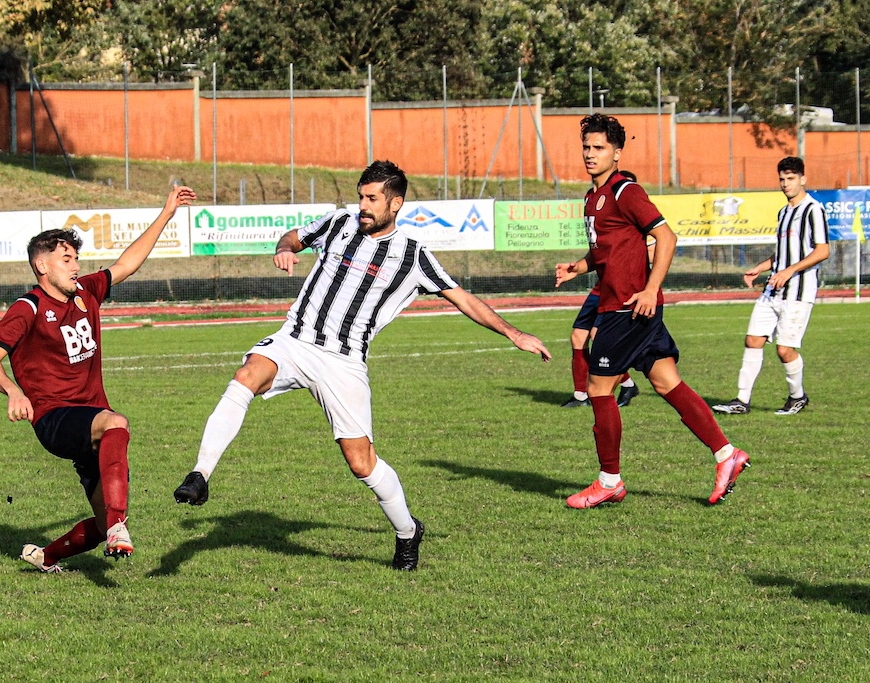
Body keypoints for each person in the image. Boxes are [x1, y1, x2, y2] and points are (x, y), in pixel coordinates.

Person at [173, 160, 552, 570]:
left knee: (361, 462)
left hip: (344, 362)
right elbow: (293, 237)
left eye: (372, 199)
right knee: (246, 376)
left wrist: (514, 333)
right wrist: (283, 249)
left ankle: (408, 532)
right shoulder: (338, 223)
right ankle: (200, 475)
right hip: (295, 341)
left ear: (396, 203)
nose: (362, 206)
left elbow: (464, 299)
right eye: (360, 196)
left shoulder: (413, 255)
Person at [0, 185, 198, 572]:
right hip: (54, 417)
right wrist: (13, 391)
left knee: (101, 523)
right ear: (42, 266)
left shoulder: (85, 293)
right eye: (66, 259)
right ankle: (118, 526)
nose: (76, 265)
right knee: (116, 424)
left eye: (77, 258)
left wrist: (167, 212)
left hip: (91, 419)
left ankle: (47, 556)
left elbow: (127, 264)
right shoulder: (27, 308)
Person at [555, 114, 749, 508]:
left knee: (598, 389)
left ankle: (609, 481)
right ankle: (727, 455)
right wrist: (578, 267)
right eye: (587, 147)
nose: (590, 155)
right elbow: (606, 250)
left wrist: (651, 288)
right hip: (626, 307)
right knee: (666, 382)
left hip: (627, 308)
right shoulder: (593, 197)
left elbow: (666, 236)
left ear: (616, 152)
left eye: (599, 148)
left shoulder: (626, 191)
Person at [712, 157, 830, 416]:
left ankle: (797, 397)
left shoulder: (813, 209)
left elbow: (822, 251)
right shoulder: (784, 212)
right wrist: (761, 267)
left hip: (798, 291)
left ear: (802, 179)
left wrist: (789, 271)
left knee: (784, 349)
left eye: (790, 178)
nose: (786, 184)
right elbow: (784, 253)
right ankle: (741, 401)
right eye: (782, 179)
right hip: (773, 289)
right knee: (753, 339)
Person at [559, 169, 640, 410]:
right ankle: (581, 394)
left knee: (598, 336)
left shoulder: (639, 220)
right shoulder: (593, 201)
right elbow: (597, 249)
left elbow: (657, 248)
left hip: (622, 289)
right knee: (578, 335)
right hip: (601, 286)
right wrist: (576, 269)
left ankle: (625, 383)